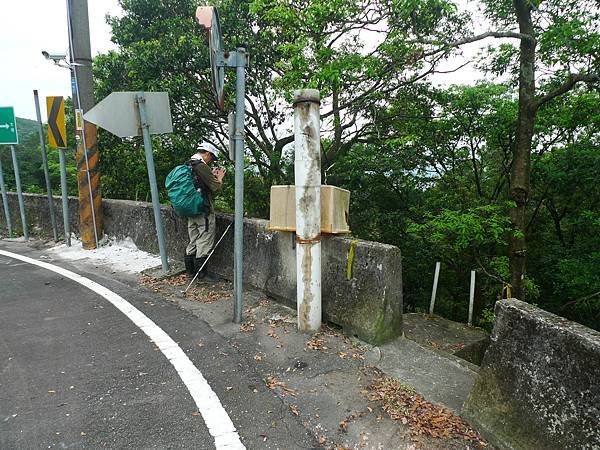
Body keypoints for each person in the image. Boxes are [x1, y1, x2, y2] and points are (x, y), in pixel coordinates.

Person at [183, 142, 225, 280]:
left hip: (190, 209)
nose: (211, 161)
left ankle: (190, 272)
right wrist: (219, 178)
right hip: (203, 210)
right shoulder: (201, 166)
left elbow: (197, 183)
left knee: (193, 239)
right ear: (207, 153)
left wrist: (209, 174)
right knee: (204, 240)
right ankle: (201, 275)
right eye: (212, 158)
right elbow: (215, 187)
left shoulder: (188, 164)